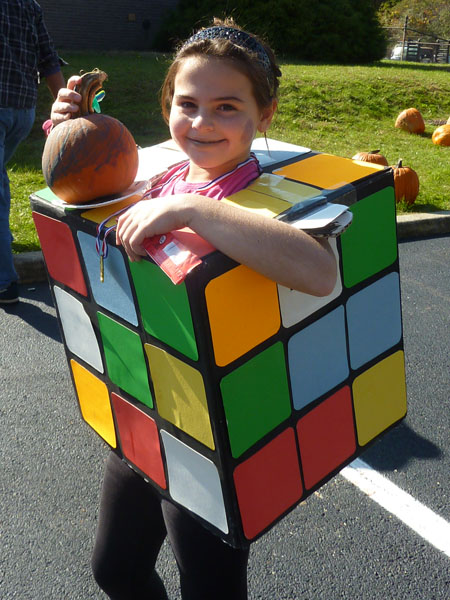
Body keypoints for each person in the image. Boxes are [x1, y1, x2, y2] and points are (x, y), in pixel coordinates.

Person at [49, 18, 337, 599]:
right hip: (145, 404)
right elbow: (89, 182)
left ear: (266, 114)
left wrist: (195, 210)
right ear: (168, 106)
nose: (203, 123)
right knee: (115, 569)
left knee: (209, 590)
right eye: (188, 104)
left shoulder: (271, 196)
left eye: (227, 107)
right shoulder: (162, 171)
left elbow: (319, 271)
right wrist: (75, 132)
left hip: (217, 434)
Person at [0, 0, 65, 304]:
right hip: (22, 111)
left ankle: (4, 282)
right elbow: (48, 58)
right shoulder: (28, 4)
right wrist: (66, 103)